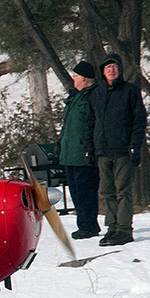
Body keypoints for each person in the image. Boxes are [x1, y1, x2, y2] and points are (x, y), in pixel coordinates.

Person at [85, 54, 147, 246]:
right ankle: (112, 228)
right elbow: (90, 123)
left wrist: (134, 146)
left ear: (119, 70)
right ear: (102, 72)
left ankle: (124, 230)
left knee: (123, 191)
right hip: (102, 150)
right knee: (106, 191)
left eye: (115, 67)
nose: (112, 70)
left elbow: (139, 120)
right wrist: (89, 148)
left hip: (123, 150)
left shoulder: (130, 91)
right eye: (108, 67)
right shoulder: (95, 93)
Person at [58, 60, 99, 238]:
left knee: (86, 191)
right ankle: (83, 224)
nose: (73, 78)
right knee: (75, 191)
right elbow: (66, 126)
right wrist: (59, 144)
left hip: (84, 154)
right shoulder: (74, 97)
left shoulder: (94, 96)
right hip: (70, 154)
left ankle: (88, 226)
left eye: (75, 75)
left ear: (83, 78)